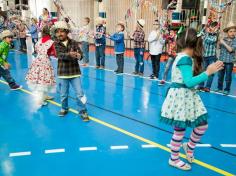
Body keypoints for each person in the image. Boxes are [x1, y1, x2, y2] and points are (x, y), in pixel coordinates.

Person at [160, 28, 223, 171]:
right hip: (181, 98)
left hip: (188, 97)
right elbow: (188, 82)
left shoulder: (185, 57)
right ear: (196, 44)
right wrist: (208, 72)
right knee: (180, 131)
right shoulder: (185, 59)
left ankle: (189, 146)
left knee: (202, 125)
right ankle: (173, 159)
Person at [54, 21, 89, 121]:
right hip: (63, 73)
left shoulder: (74, 42)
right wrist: (70, 55)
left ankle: (83, 111)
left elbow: (81, 54)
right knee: (63, 94)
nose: (59, 34)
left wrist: (79, 55)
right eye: (57, 32)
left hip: (74, 73)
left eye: (62, 32)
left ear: (66, 32)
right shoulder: (56, 43)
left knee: (80, 93)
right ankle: (64, 108)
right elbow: (59, 55)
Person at [25, 26, 56, 108]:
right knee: (44, 80)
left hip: (37, 61)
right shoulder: (51, 42)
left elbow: (36, 50)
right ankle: (40, 100)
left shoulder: (39, 41)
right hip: (45, 62)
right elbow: (55, 54)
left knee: (40, 79)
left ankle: (45, 96)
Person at [216, 22, 236, 95]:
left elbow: (230, 49)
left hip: (229, 62)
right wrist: (219, 41)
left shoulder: (235, 40)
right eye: (231, 31)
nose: (233, 33)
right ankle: (219, 88)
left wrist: (223, 43)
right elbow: (218, 47)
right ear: (227, 32)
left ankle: (227, 89)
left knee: (228, 77)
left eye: (234, 31)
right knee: (220, 76)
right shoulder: (223, 39)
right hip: (221, 61)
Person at [198, 22, 218, 92]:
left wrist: (206, 33)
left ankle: (207, 87)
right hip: (204, 56)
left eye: (214, 28)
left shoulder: (215, 36)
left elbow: (210, 41)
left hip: (211, 56)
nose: (212, 29)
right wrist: (204, 27)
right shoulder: (205, 33)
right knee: (202, 71)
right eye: (211, 27)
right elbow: (198, 35)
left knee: (211, 73)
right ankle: (201, 85)